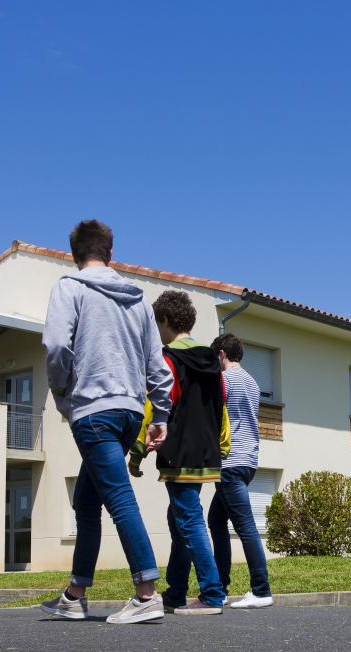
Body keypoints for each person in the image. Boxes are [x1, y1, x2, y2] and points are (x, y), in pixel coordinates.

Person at [40, 220, 173, 624]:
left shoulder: (70, 286)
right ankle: (74, 594)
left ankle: (147, 592)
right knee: (85, 499)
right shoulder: (137, 299)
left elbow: (57, 344)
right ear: (110, 253)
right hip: (130, 412)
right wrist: (160, 413)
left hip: (93, 409)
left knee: (117, 497)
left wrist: (63, 394)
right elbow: (156, 361)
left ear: (74, 254)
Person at [129, 290, 228, 615]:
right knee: (179, 520)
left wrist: (138, 450)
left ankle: (212, 594)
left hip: (180, 452)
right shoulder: (213, 361)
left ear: (166, 320)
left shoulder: (168, 358)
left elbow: (155, 405)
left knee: (189, 521)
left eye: (156, 324)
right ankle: (175, 592)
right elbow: (221, 408)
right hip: (206, 452)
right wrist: (221, 447)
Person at [207, 333, 274, 608]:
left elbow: (215, 417)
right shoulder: (253, 382)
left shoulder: (223, 380)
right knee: (215, 520)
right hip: (248, 461)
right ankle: (221, 587)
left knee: (245, 526)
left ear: (221, 354)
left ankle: (261, 590)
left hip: (230, 462)